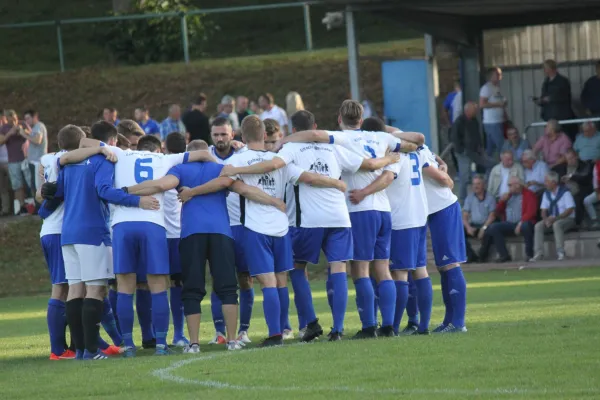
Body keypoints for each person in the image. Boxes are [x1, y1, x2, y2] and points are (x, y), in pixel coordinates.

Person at [220, 112, 402, 341]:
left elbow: (289, 171)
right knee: (340, 269)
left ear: (293, 130)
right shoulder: (334, 146)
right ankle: (339, 329)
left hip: (307, 220)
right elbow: (368, 164)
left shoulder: (290, 149)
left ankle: (309, 322)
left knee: (294, 269)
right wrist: (387, 161)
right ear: (314, 126)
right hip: (339, 217)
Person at [181, 115, 347, 347]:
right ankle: (284, 328)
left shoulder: (240, 159)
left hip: (255, 227)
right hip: (281, 226)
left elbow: (226, 184)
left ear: (241, 135)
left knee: (266, 282)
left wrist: (193, 192)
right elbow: (308, 177)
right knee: (280, 281)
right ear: (265, 135)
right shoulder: (280, 159)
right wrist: (336, 183)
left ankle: (275, 334)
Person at [270, 100, 422, 339]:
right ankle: (382, 326)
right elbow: (412, 143)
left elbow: (305, 151)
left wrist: (282, 142)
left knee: (350, 269)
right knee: (379, 268)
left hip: (353, 209)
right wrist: (391, 152)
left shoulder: (339, 139)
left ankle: (364, 325)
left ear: (339, 120)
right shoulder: (379, 139)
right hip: (377, 210)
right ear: (361, 119)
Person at [125, 138, 289, 353]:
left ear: (188, 152)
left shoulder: (180, 169)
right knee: (228, 288)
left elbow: (159, 185)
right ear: (207, 152)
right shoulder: (221, 169)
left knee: (192, 289)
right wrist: (274, 201)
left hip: (191, 233)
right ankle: (232, 340)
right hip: (221, 232)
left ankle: (193, 343)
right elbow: (247, 190)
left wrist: (126, 190)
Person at [78, 129, 218, 357]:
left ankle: (129, 346)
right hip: (153, 223)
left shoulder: (120, 153)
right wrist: (215, 164)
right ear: (158, 148)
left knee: (125, 287)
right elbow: (202, 154)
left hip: (122, 225)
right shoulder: (164, 158)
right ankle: (161, 344)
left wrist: (102, 148)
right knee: (158, 285)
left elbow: (84, 141)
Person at [42, 123, 158, 360]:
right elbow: (104, 191)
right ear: (111, 141)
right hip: (92, 231)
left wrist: (43, 209)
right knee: (96, 289)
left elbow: (57, 195)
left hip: (68, 233)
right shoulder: (103, 160)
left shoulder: (70, 162)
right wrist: (138, 201)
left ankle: (82, 350)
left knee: (75, 290)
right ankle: (92, 351)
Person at [350, 118, 435, 336]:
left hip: (400, 218)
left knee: (399, 273)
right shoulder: (419, 149)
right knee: (419, 270)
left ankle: (394, 326)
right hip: (418, 214)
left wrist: (363, 192)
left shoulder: (395, 154)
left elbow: (388, 177)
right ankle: (420, 324)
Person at [198, 118, 255, 346]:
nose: (220, 139)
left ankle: (243, 330)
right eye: (216, 134)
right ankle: (220, 332)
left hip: (242, 226)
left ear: (233, 134)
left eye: (224, 134)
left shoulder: (244, 156)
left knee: (245, 279)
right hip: (217, 227)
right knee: (218, 280)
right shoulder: (203, 155)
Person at [420, 145, 468, 333]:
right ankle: (449, 321)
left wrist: (446, 177)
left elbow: (443, 179)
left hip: (444, 208)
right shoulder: (419, 148)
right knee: (443, 267)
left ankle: (458, 323)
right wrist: (443, 168)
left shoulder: (416, 150)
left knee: (451, 264)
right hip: (435, 211)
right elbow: (439, 162)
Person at [163, 132, 192, 347]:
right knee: (178, 285)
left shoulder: (159, 167)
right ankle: (178, 334)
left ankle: (156, 337)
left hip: (157, 233)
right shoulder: (188, 169)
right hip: (179, 235)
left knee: (150, 285)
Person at [479, 176, 537, 262]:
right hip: (510, 223)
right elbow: (497, 212)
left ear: (517, 185)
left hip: (524, 223)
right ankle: (504, 255)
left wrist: (520, 223)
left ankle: (529, 254)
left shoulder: (529, 194)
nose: (508, 188)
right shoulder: (508, 196)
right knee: (493, 227)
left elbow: (531, 212)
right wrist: (502, 201)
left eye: (510, 185)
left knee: (526, 226)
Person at [451, 102, 496, 203]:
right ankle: (462, 200)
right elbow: (454, 138)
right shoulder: (459, 122)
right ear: (467, 111)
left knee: (492, 164)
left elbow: (477, 136)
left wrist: (481, 149)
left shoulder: (474, 120)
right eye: (474, 110)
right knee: (464, 176)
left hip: (475, 151)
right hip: (463, 153)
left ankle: (485, 187)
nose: (476, 112)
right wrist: (462, 151)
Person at [531, 171, 577, 262]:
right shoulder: (546, 193)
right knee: (538, 226)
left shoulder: (565, 192)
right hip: (552, 219)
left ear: (554, 182)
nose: (545, 183)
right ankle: (538, 253)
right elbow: (543, 210)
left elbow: (570, 210)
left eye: (547, 181)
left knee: (557, 224)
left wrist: (555, 219)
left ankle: (561, 252)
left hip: (567, 219)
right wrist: (545, 220)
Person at [535, 59, 577, 141]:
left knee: (564, 139)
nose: (544, 70)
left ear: (551, 68)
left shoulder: (563, 81)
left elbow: (565, 96)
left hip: (561, 117)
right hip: (548, 117)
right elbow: (543, 96)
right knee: (551, 140)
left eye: (545, 68)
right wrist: (540, 101)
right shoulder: (545, 82)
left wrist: (550, 98)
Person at [462, 175, 497, 263]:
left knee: (490, 231)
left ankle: (482, 257)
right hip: (473, 225)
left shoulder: (490, 198)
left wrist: (483, 228)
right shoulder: (469, 198)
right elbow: (464, 216)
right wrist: (468, 227)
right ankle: (470, 255)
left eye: (478, 184)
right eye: (474, 184)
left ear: (483, 185)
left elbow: (492, 216)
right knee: (458, 231)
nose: (475, 186)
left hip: (486, 225)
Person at [0, 110, 28, 215]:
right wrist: (10, 132)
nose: (13, 120)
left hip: (23, 159)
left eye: (14, 117)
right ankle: (18, 207)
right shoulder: (4, 128)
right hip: (11, 161)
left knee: (29, 183)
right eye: (10, 118)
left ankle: (33, 205)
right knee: (15, 185)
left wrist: (22, 131)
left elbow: (31, 134)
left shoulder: (23, 124)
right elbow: (1, 141)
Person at [479, 67, 508, 158]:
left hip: (499, 120)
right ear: (491, 76)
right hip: (491, 122)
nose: (500, 76)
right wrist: (498, 104)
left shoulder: (497, 88)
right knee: (502, 145)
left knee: (490, 149)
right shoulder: (487, 88)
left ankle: (489, 169)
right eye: (497, 74)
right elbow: (482, 104)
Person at [562, 149, 593, 225]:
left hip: (582, 189)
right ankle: (563, 222)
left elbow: (585, 178)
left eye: (572, 157)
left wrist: (572, 177)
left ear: (576, 156)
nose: (571, 160)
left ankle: (577, 223)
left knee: (577, 198)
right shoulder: (563, 168)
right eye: (569, 159)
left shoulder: (584, 165)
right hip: (567, 191)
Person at [20, 110, 47, 196]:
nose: (27, 121)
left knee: (37, 187)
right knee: (34, 186)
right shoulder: (35, 127)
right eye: (25, 119)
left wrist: (24, 134)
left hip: (37, 162)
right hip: (34, 161)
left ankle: (39, 208)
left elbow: (37, 140)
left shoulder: (38, 126)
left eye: (28, 118)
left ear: (34, 117)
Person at [584, 159, 600, 228]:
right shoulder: (597, 165)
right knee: (587, 200)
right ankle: (595, 220)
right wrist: (598, 193)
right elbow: (595, 182)